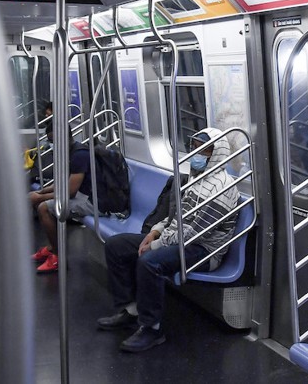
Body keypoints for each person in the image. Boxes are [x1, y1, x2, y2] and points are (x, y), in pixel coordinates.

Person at [96, 127, 240, 353]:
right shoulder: (197, 178)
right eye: (194, 146)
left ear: (218, 154)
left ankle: (152, 329)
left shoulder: (224, 188)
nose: (197, 152)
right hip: (176, 239)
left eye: (205, 149)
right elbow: (175, 218)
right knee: (117, 246)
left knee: (150, 261)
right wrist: (154, 232)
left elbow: (194, 233)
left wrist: (155, 245)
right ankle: (132, 309)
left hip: (205, 250)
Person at [28, 119, 94, 273]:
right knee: (41, 201)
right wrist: (41, 192)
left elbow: (70, 191)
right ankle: (52, 248)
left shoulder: (80, 154)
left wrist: (40, 198)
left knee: (44, 207)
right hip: (79, 195)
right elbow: (62, 183)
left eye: (53, 141)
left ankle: (58, 257)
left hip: (89, 200)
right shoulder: (69, 152)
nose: (53, 145)